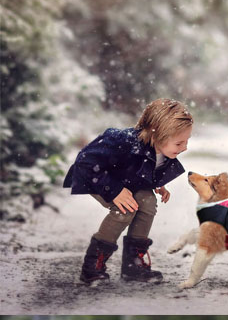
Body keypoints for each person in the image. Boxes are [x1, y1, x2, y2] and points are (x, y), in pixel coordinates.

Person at [64, 98, 193, 283]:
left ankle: (134, 265)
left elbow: (145, 166)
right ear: (157, 135)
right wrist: (114, 190)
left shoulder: (162, 147)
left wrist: (158, 183)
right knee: (126, 209)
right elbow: (85, 160)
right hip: (98, 178)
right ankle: (92, 266)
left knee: (147, 201)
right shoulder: (122, 141)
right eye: (179, 143)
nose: (185, 147)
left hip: (125, 182)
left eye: (187, 141)